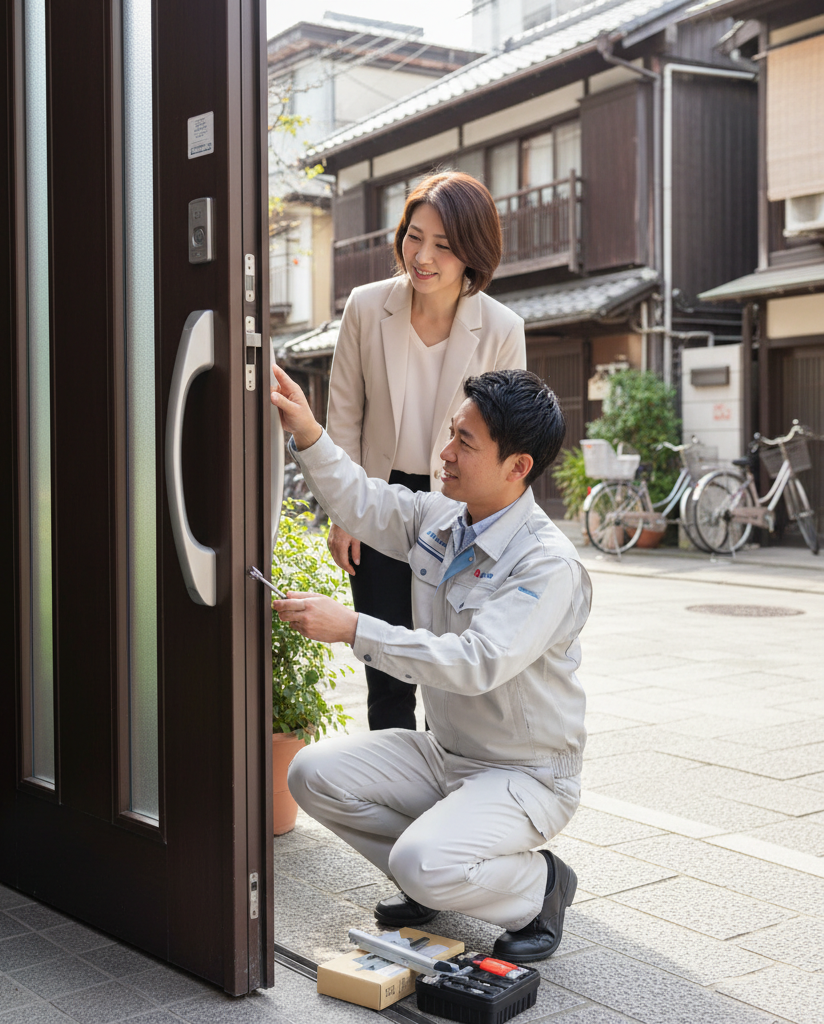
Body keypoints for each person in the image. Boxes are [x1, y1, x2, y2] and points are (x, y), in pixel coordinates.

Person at [269, 362, 590, 963]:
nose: (444, 453)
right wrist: (308, 429)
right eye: (452, 432)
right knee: (310, 774)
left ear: (517, 467)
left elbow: (478, 661)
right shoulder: (442, 516)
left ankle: (539, 887)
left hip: (526, 775)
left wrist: (354, 628)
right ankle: (435, 874)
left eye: (465, 443)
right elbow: (362, 502)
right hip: (446, 752)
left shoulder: (547, 565)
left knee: (422, 862)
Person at [326, 171, 527, 732]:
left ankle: (444, 793)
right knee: (385, 666)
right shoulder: (367, 308)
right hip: (379, 498)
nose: (423, 256)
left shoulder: (502, 328)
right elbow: (343, 414)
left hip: (457, 507)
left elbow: (504, 434)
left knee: (444, 660)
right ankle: (390, 802)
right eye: (415, 236)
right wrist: (347, 514)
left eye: (443, 244)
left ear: (472, 252)